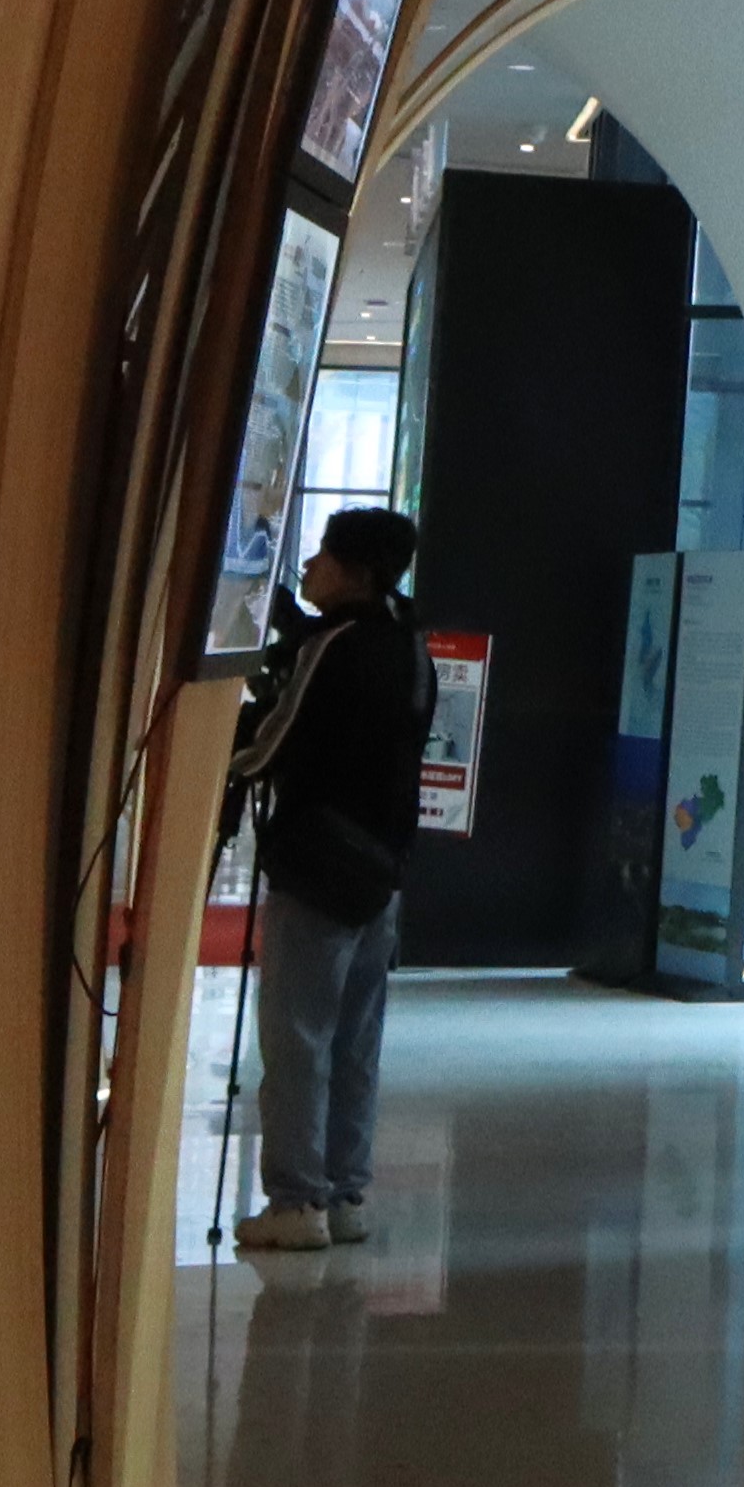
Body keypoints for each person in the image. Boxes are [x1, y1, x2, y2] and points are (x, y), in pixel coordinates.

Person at [230, 506, 430, 1252]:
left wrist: (225, 757)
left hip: (316, 868)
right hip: (382, 870)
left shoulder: (331, 646)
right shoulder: (412, 647)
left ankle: (295, 1202)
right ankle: (346, 1194)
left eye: (323, 555)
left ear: (355, 571)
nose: (311, 568)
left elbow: (269, 745)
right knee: (354, 1042)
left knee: (297, 1041)